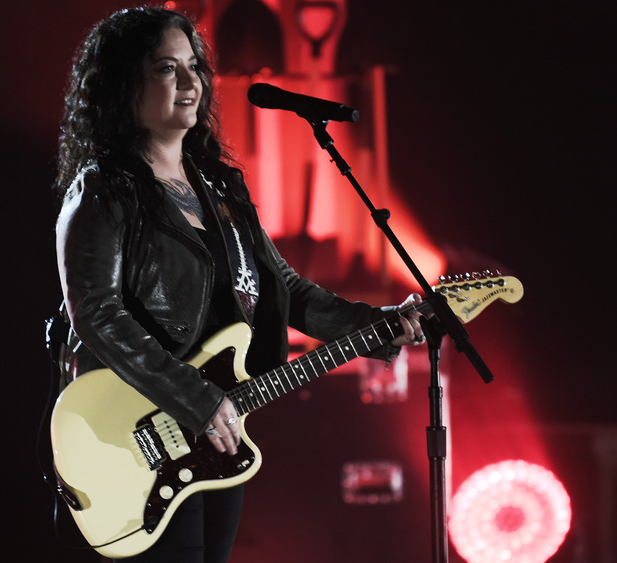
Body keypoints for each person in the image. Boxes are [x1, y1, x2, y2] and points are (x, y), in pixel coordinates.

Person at [53, 7, 425, 562]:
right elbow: (97, 315)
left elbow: (285, 290)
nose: (189, 82)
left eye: (194, 67)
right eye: (164, 68)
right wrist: (197, 398)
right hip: (139, 433)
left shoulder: (221, 186)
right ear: (122, 85)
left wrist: (376, 327)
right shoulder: (103, 190)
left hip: (215, 436)